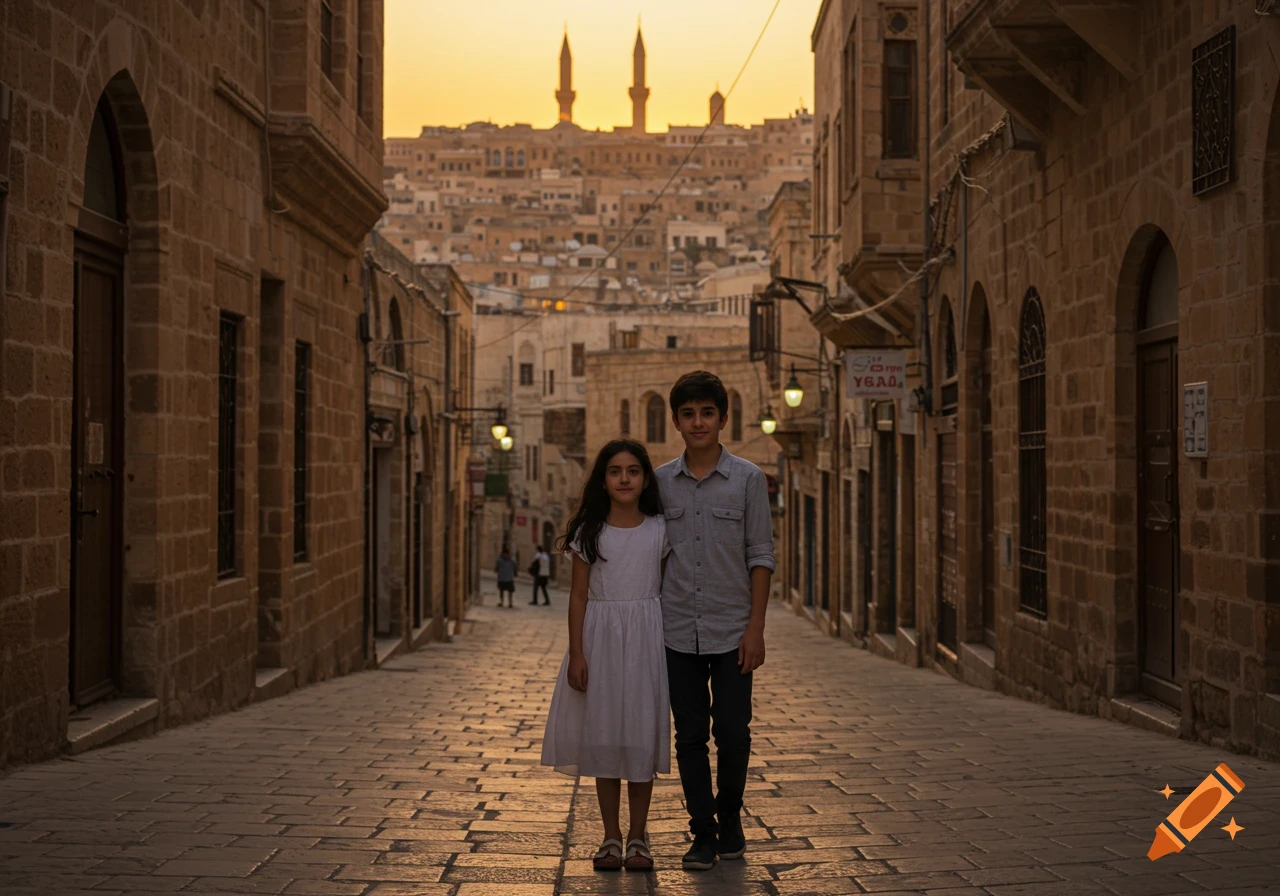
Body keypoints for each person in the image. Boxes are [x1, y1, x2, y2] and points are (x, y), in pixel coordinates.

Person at [654, 370, 775, 871]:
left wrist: (756, 629)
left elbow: (761, 555)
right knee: (688, 736)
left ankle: (730, 819)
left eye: (707, 413)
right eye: (688, 414)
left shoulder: (748, 479)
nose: (698, 422)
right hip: (676, 629)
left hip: (732, 631)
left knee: (733, 731)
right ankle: (701, 832)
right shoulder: (658, 483)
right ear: (676, 421)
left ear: (723, 418)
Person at [541, 439, 670, 873]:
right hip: (600, 641)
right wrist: (578, 652)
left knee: (639, 735)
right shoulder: (588, 532)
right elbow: (578, 596)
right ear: (603, 479)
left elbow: (665, 588)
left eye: (633, 471)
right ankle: (610, 835)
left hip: (644, 641)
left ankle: (639, 836)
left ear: (645, 478)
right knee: (605, 737)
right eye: (615, 471)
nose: (624, 479)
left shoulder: (659, 530)